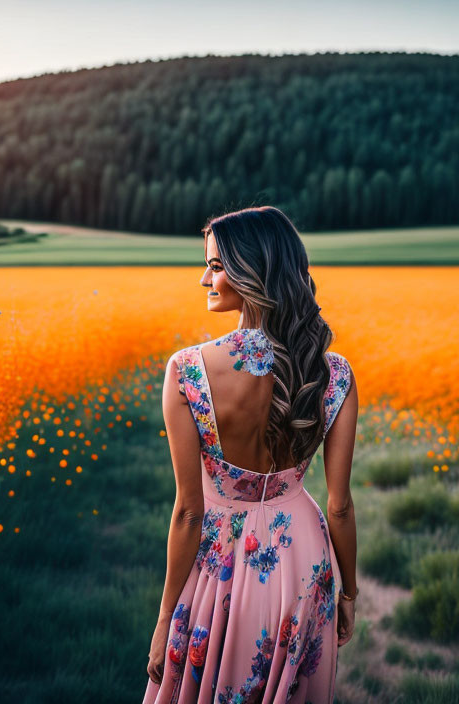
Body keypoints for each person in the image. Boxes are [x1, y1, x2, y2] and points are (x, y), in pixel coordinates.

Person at [143, 206, 358, 703]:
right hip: (303, 559)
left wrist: (163, 622)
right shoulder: (335, 372)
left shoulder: (189, 370)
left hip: (222, 557)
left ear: (252, 270)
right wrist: (349, 592)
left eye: (216, 265)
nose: (204, 278)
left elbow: (188, 512)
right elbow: (340, 506)